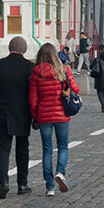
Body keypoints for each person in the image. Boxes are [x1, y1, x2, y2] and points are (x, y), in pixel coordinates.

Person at [0, 36, 35, 199]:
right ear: (24, 49)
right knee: (22, 150)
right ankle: (22, 183)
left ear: (9, 48)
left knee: (3, 149)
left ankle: (4, 182)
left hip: (2, 113)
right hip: (23, 114)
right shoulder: (29, 67)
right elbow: (32, 93)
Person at [29, 42, 78, 196]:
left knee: (47, 149)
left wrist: (35, 117)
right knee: (63, 146)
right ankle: (60, 172)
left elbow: (33, 100)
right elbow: (75, 89)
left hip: (44, 115)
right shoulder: (64, 70)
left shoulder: (36, 73)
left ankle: (49, 186)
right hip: (62, 114)